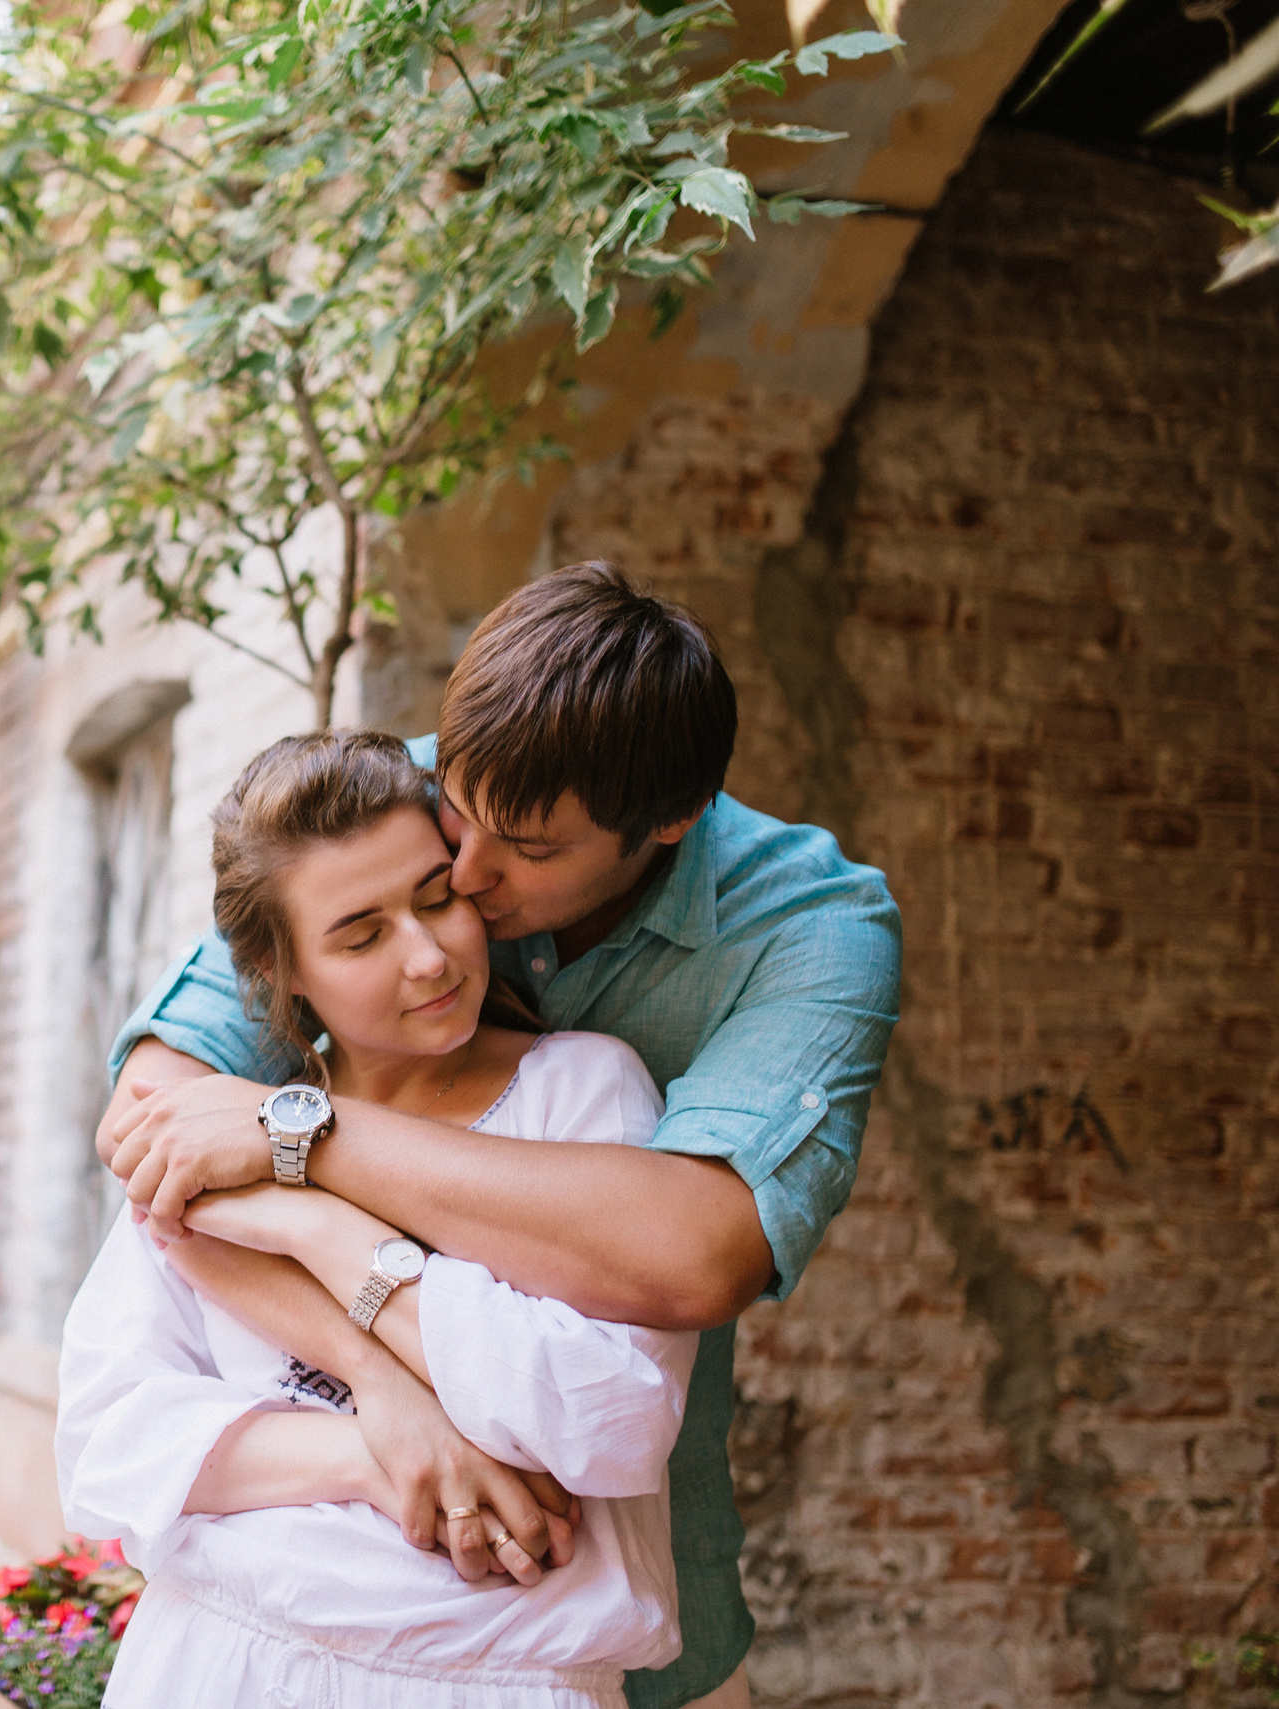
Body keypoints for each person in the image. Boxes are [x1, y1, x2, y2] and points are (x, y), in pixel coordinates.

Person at [95, 563, 902, 1709]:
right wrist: (387, 1397)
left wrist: (302, 1139)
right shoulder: (408, 809)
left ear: (665, 823)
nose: (463, 883)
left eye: (520, 848)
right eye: (455, 814)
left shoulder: (810, 932)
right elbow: (157, 1127)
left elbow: (695, 1252)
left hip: (586, 1575)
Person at [58, 730, 697, 1709]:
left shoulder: (577, 1090)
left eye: (437, 895)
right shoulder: (221, 1131)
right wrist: (381, 1441)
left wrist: (327, 1235)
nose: (427, 953)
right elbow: (109, 1435)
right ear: (278, 970)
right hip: (214, 1662)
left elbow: (606, 1415)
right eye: (360, 934)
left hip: (494, 1679)